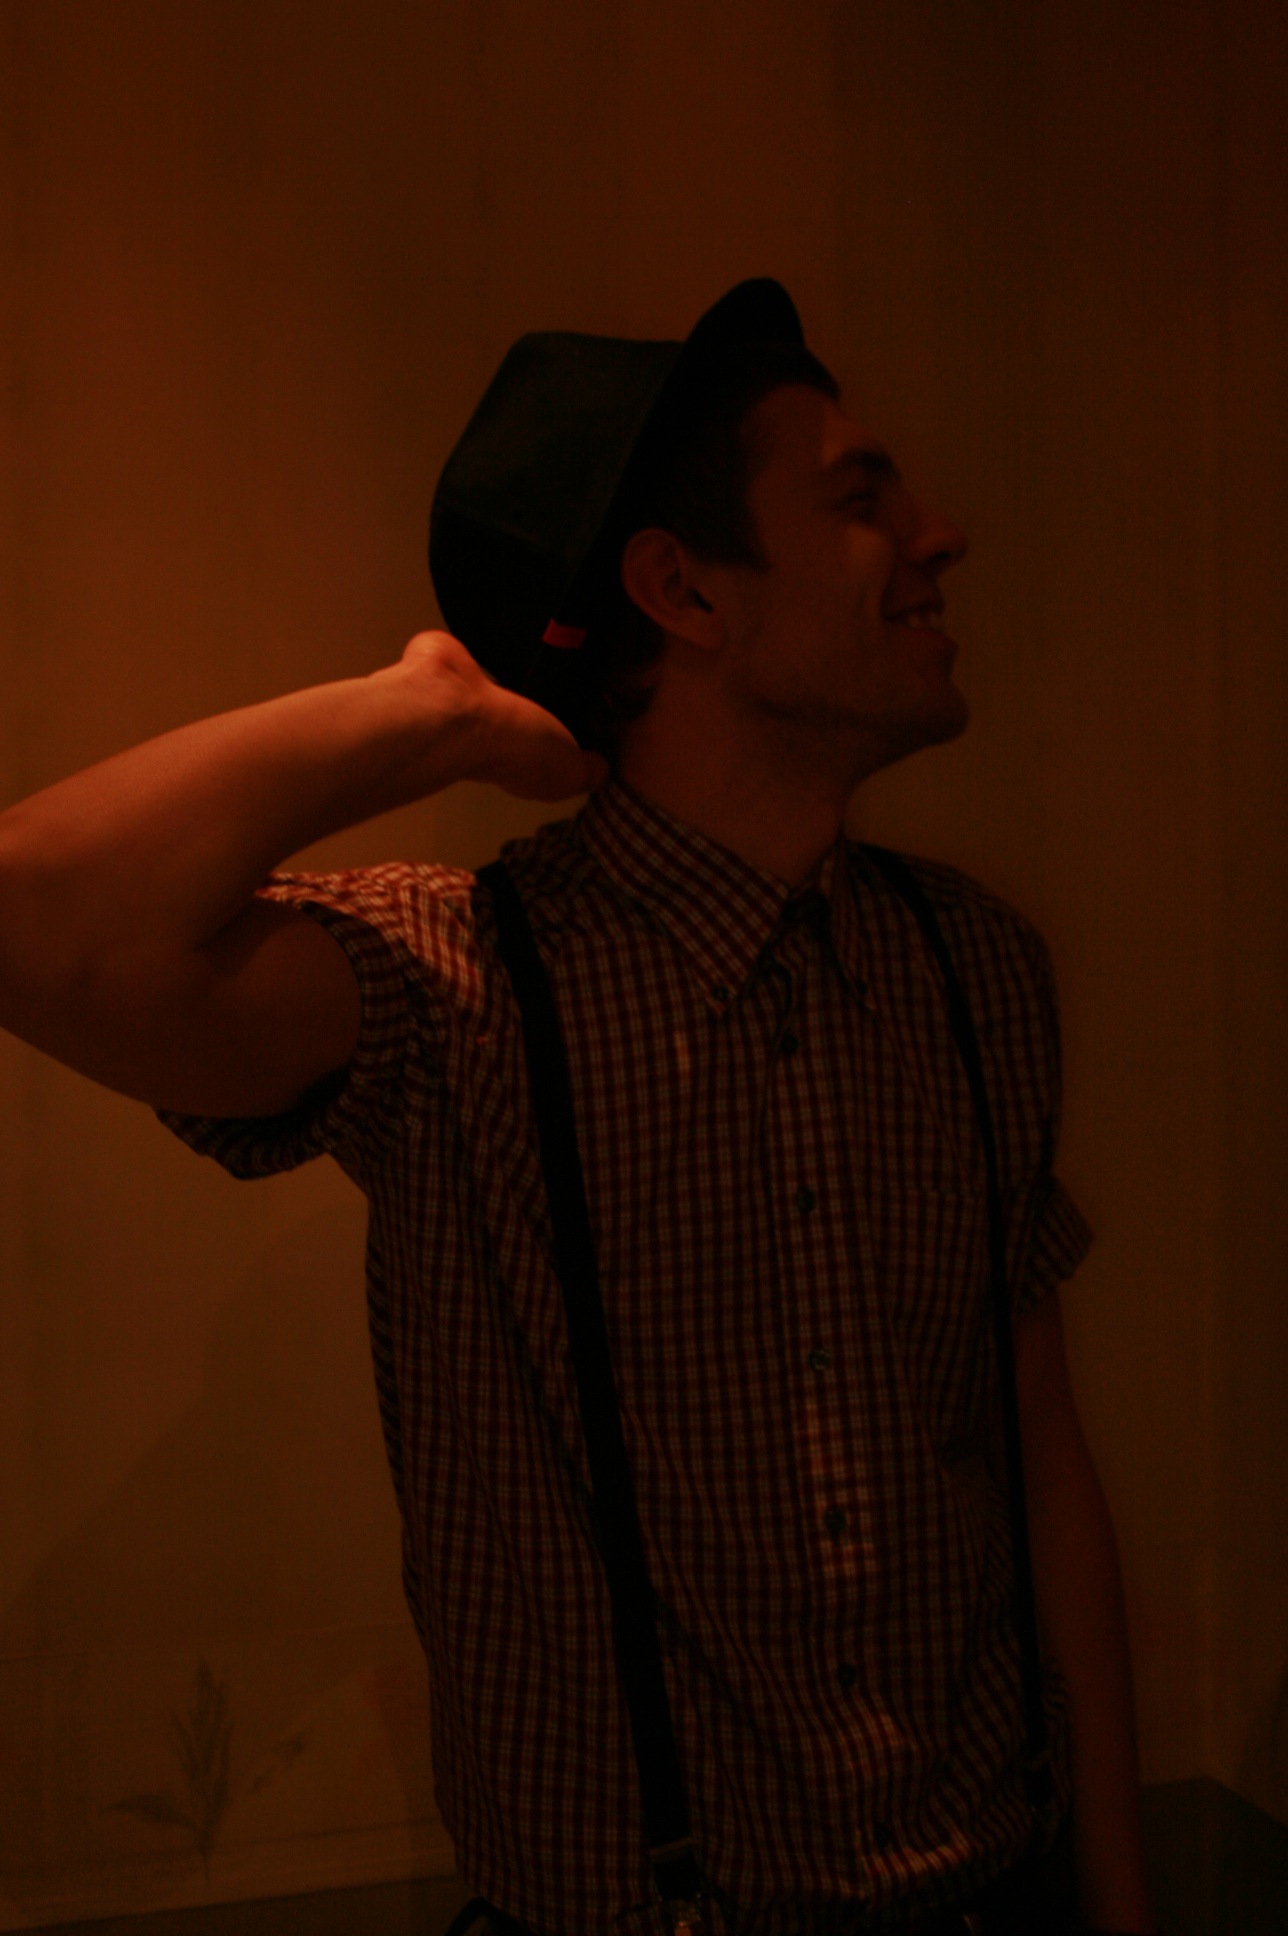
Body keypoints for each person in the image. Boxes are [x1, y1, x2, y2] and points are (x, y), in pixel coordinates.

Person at [0, 280, 1157, 1935]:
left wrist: (1117, 1898)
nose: (940, 534)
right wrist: (431, 715)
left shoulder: (978, 969)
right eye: (859, 496)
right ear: (681, 589)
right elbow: (34, 920)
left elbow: (1043, 1464)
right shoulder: (455, 987)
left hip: (994, 1893)